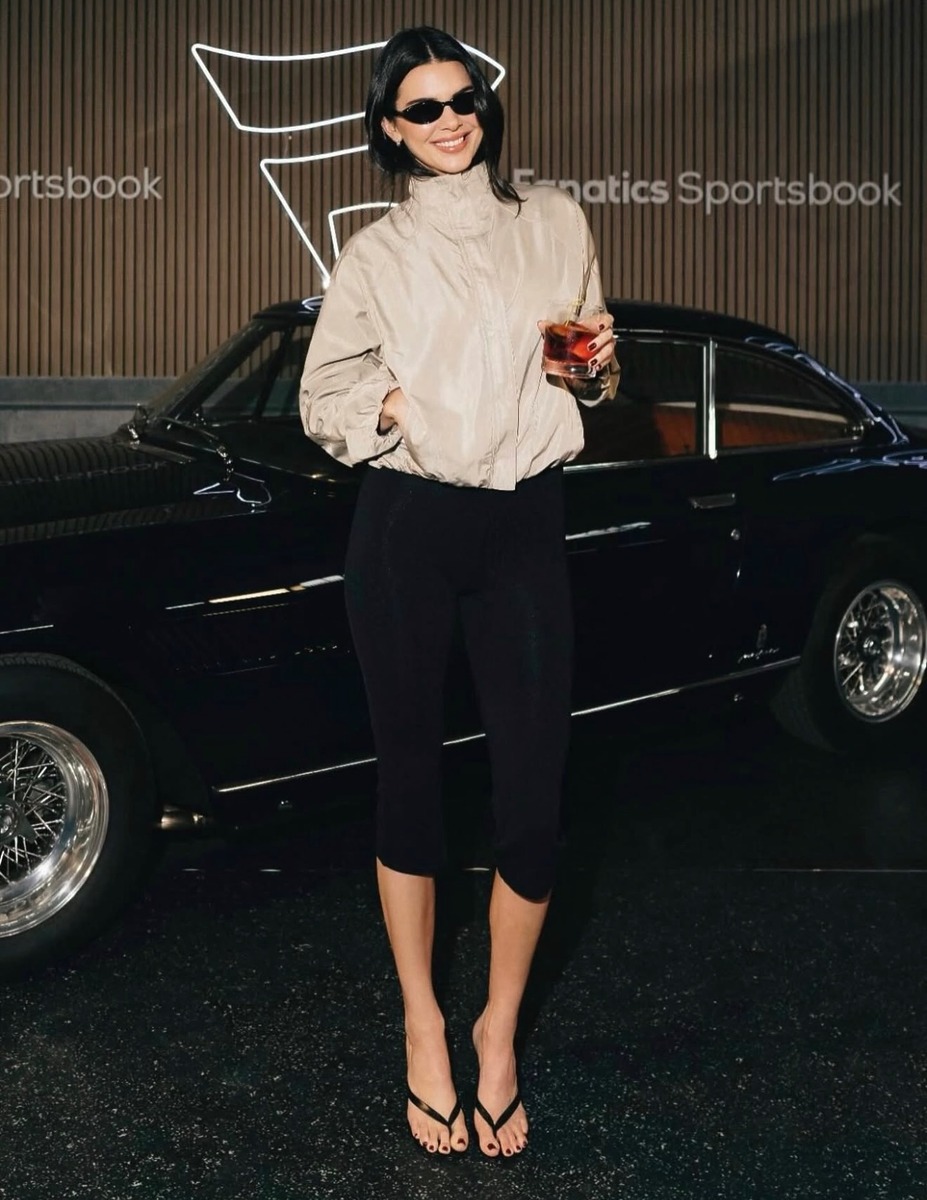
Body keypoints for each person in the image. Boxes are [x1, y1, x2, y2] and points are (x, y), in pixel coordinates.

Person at [299, 25, 618, 1159]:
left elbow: (585, 364)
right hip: (408, 527)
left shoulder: (557, 221)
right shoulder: (376, 255)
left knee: (532, 798)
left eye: (463, 98)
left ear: (485, 106)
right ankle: (423, 1026)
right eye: (423, 108)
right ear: (390, 130)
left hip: (524, 521)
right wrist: (395, 409)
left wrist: (593, 367)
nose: (450, 120)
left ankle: (497, 1032)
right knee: (411, 785)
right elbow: (324, 395)